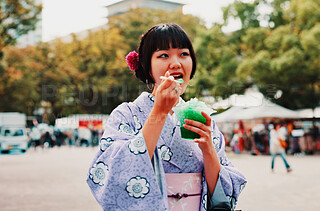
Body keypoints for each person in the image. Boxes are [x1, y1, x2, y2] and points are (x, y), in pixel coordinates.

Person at [86, 23, 246, 211]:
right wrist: (159, 113)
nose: (176, 63)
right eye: (163, 55)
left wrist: (209, 149)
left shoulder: (200, 116)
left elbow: (220, 193)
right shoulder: (126, 115)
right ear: (147, 66)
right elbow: (112, 171)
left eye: (184, 54)